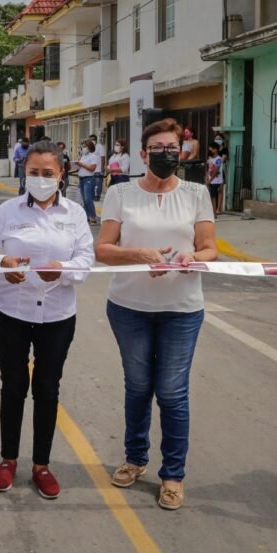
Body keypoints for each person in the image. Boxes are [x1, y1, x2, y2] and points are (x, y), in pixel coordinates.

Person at [95, 118, 217, 510]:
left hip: (182, 309)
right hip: (130, 308)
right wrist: (140, 254)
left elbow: (210, 248)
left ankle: (173, 475)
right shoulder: (120, 193)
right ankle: (135, 458)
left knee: (172, 393)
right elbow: (104, 249)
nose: (167, 153)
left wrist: (191, 257)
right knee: (137, 386)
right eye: (158, 148)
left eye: (173, 147)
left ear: (180, 151)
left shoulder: (198, 193)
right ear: (144, 154)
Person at [0, 141, 94, 500]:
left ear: (61, 175)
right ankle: (8, 459)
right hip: (12, 311)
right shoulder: (7, 212)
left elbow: (86, 258)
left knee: (47, 388)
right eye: (34, 173)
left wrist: (64, 270)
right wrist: (2, 264)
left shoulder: (74, 214)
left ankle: (42, 465)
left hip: (57, 315)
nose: (40, 179)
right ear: (26, 173)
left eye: (48, 173)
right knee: (12, 386)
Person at [71, 140, 99, 225]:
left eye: (85, 146)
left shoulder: (93, 156)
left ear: (89, 147)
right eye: (83, 147)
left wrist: (81, 164)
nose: (83, 148)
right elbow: (82, 166)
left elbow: (92, 168)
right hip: (82, 179)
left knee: (88, 199)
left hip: (89, 179)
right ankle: (87, 216)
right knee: (84, 199)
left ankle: (93, 217)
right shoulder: (83, 157)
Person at [206, 141, 224, 216]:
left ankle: (214, 214)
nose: (210, 150)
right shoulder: (211, 158)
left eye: (212, 148)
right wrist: (207, 177)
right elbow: (209, 169)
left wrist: (210, 180)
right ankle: (213, 213)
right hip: (211, 180)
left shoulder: (218, 159)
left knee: (213, 197)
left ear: (216, 149)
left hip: (215, 181)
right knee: (211, 197)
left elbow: (216, 171)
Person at [213, 132, 228, 213]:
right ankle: (213, 208)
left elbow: (223, 159)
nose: (218, 140)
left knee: (220, 190)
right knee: (213, 190)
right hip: (212, 170)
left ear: (222, 140)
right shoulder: (213, 150)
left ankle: (218, 209)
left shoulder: (224, 149)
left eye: (219, 139)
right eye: (216, 139)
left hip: (221, 170)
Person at [89, 133, 106, 201]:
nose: (92, 141)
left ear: (96, 140)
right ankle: (92, 195)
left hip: (98, 168)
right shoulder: (89, 147)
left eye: (93, 139)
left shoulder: (100, 146)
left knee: (98, 183)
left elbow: (103, 157)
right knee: (92, 184)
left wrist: (102, 167)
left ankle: (97, 196)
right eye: (91, 140)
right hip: (90, 169)